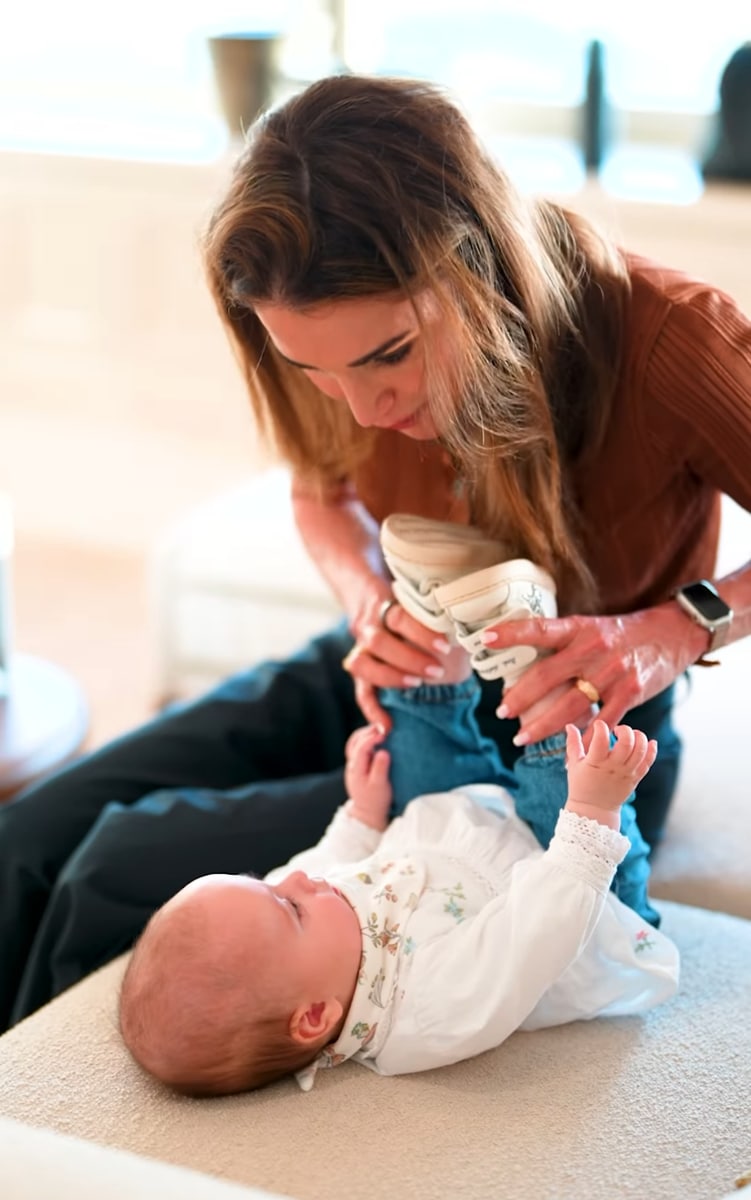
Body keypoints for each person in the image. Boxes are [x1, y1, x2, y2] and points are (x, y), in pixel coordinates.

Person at [1, 72, 749, 1032]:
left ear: (477, 263)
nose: (361, 410)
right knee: (26, 839)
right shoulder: (332, 358)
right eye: (315, 372)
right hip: (389, 667)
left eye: (387, 356)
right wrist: (364, 600)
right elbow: (320, 493)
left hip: (562, 743)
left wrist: (675, 629)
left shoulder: (670, 338)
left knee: (115, 865)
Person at [118, 688, 678, 1097]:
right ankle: (557, 686)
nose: (293, 879)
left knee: (403, 735)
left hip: (453, 830)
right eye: (287, 906)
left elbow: (322, 860)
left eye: (258, 882)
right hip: (570, 883)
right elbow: (535, 934)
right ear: (314, 1017)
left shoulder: (310, 935)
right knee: (567, 756)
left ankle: (435, 658)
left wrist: (361, 811)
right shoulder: (427, 1013)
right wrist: (591, 811)